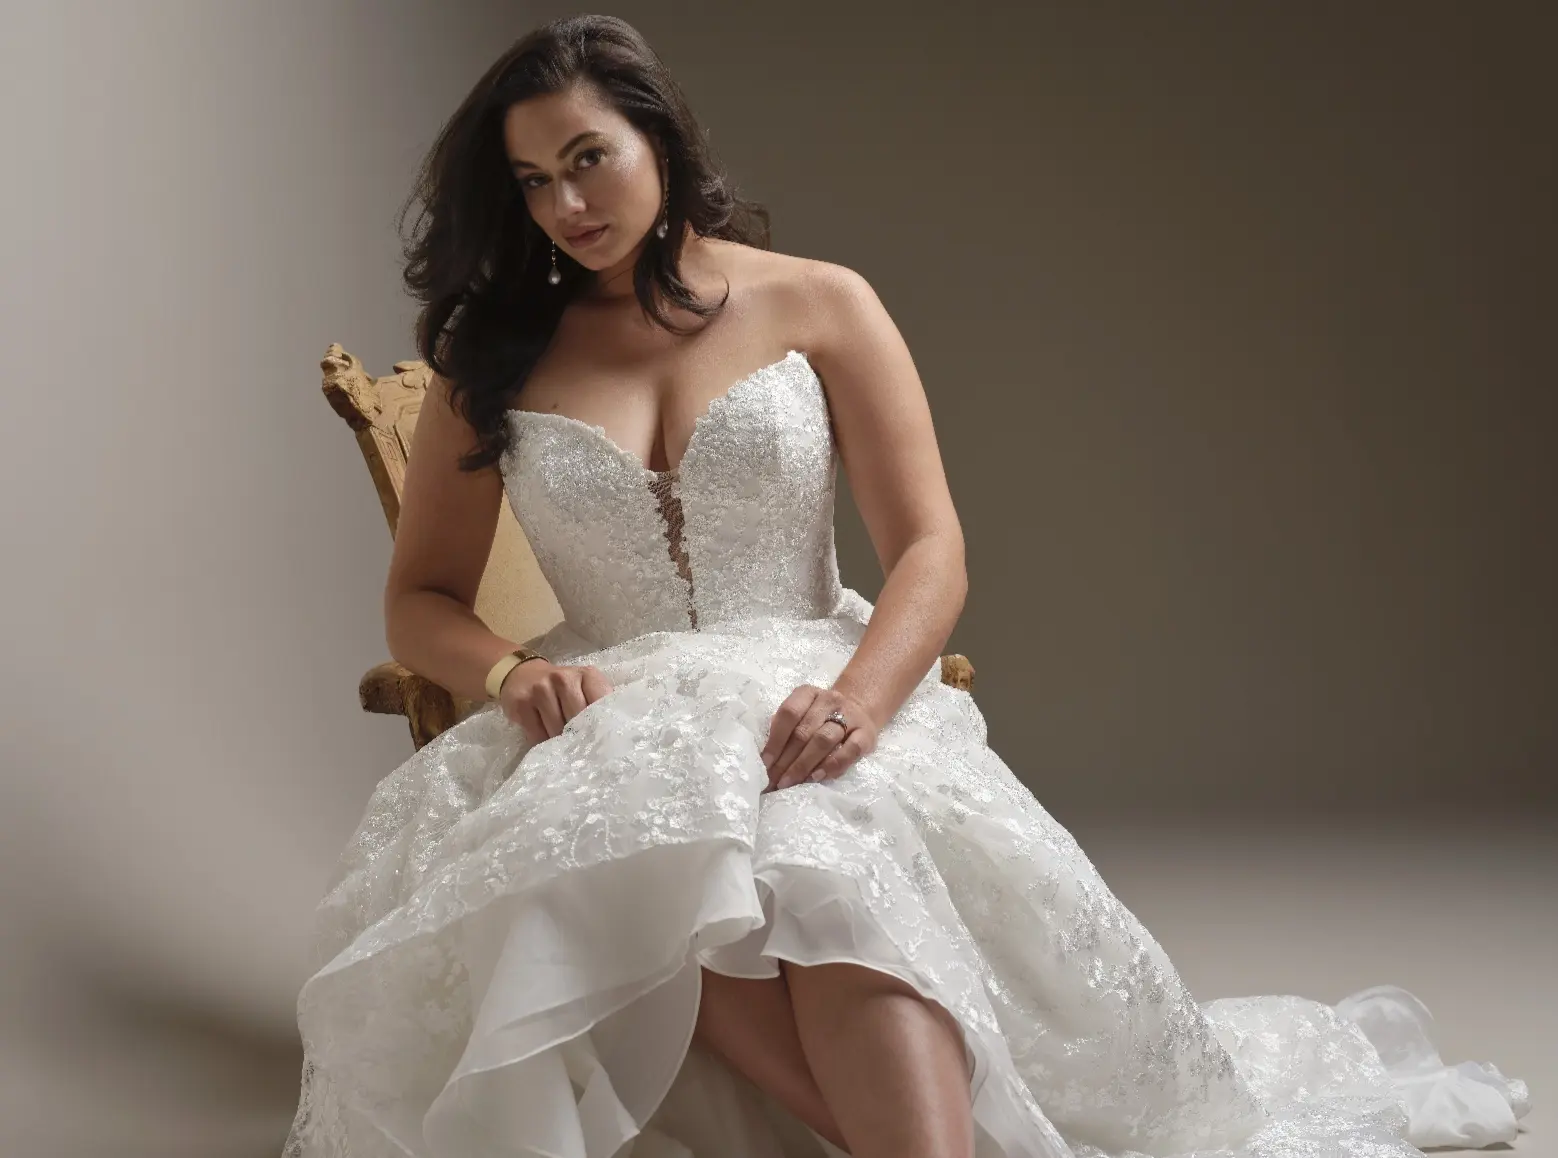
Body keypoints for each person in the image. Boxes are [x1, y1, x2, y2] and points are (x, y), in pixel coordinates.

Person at [283, 15, 1527, 1158]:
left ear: (657, 135)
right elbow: (424, 599)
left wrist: (860, 703)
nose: (565, 203)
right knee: (647, 844)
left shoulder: (820, 304)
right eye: (531, 182)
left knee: (826, 832)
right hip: (618, 707)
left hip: (816, 677)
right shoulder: (491, 359)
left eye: (587, 158)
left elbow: (931, 547)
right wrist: (511, 674)